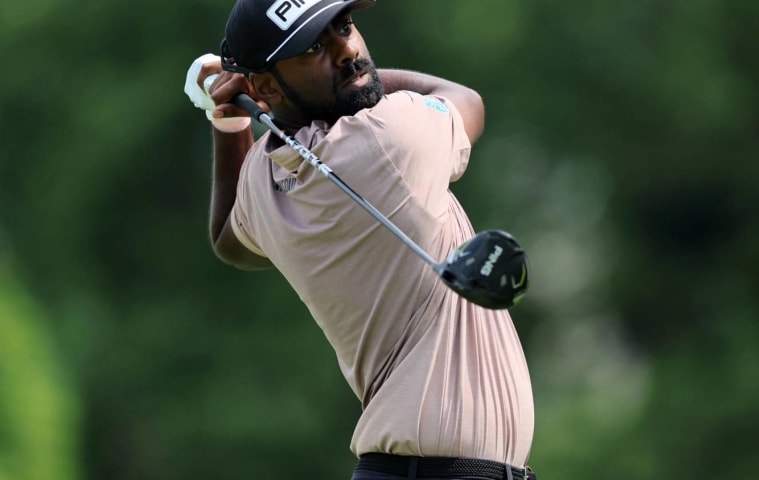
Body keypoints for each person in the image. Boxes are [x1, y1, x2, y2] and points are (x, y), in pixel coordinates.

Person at [185, 1, 536, 478]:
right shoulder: (389, 137)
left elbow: (229, 237)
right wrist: (358, 78)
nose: (347, 49)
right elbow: (463, 98)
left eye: (344, 27)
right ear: (266, 85)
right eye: (315, 47)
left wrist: (230, 122)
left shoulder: (264, 177)